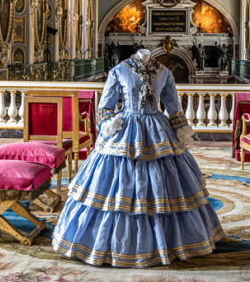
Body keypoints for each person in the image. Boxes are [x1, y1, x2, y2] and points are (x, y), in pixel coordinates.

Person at [51, 49, 223, 267]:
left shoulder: (164, 72)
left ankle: (172, 241)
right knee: (116, 185)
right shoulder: (119, 70)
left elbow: (173, 107)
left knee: (165, 184)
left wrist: (180, 128)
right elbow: (105, 106)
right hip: (126, 128)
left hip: (157, 128)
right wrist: (108, 123)